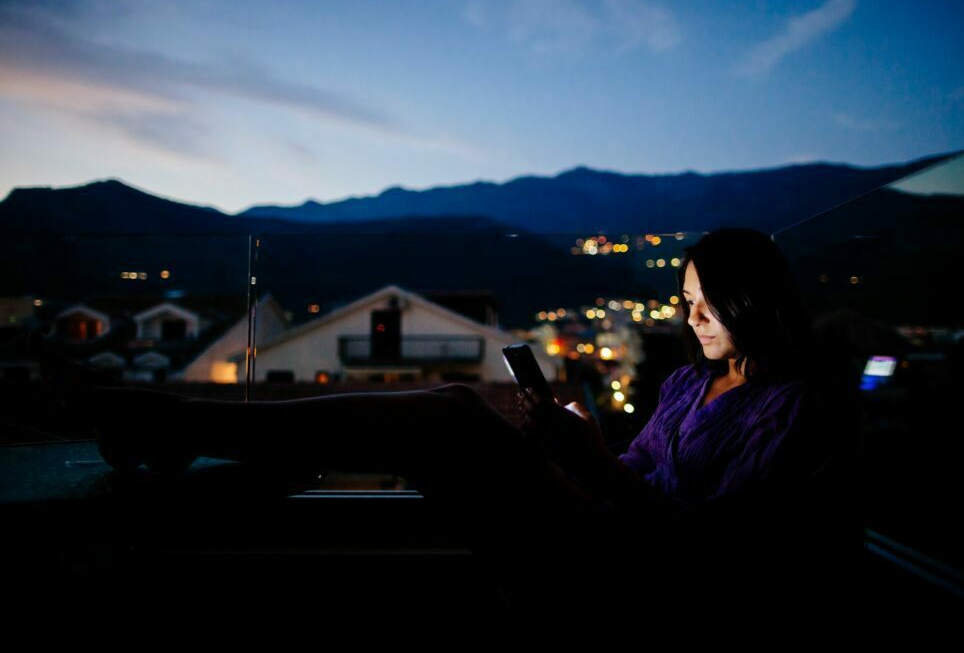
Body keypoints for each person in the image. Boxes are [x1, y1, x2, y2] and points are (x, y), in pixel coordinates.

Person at [37, 227, 854, 640]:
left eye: (707, 299)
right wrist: (570, 447)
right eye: (684, 299)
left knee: (453, 412)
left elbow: (705, 549)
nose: (692, 315)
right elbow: (631, 471)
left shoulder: (795, 408)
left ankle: (183, 424)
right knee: (456, 415)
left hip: (637, 581)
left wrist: (587, 467)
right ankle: (194, 438)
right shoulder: (685, 384)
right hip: (599, 526)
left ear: (754, 300)